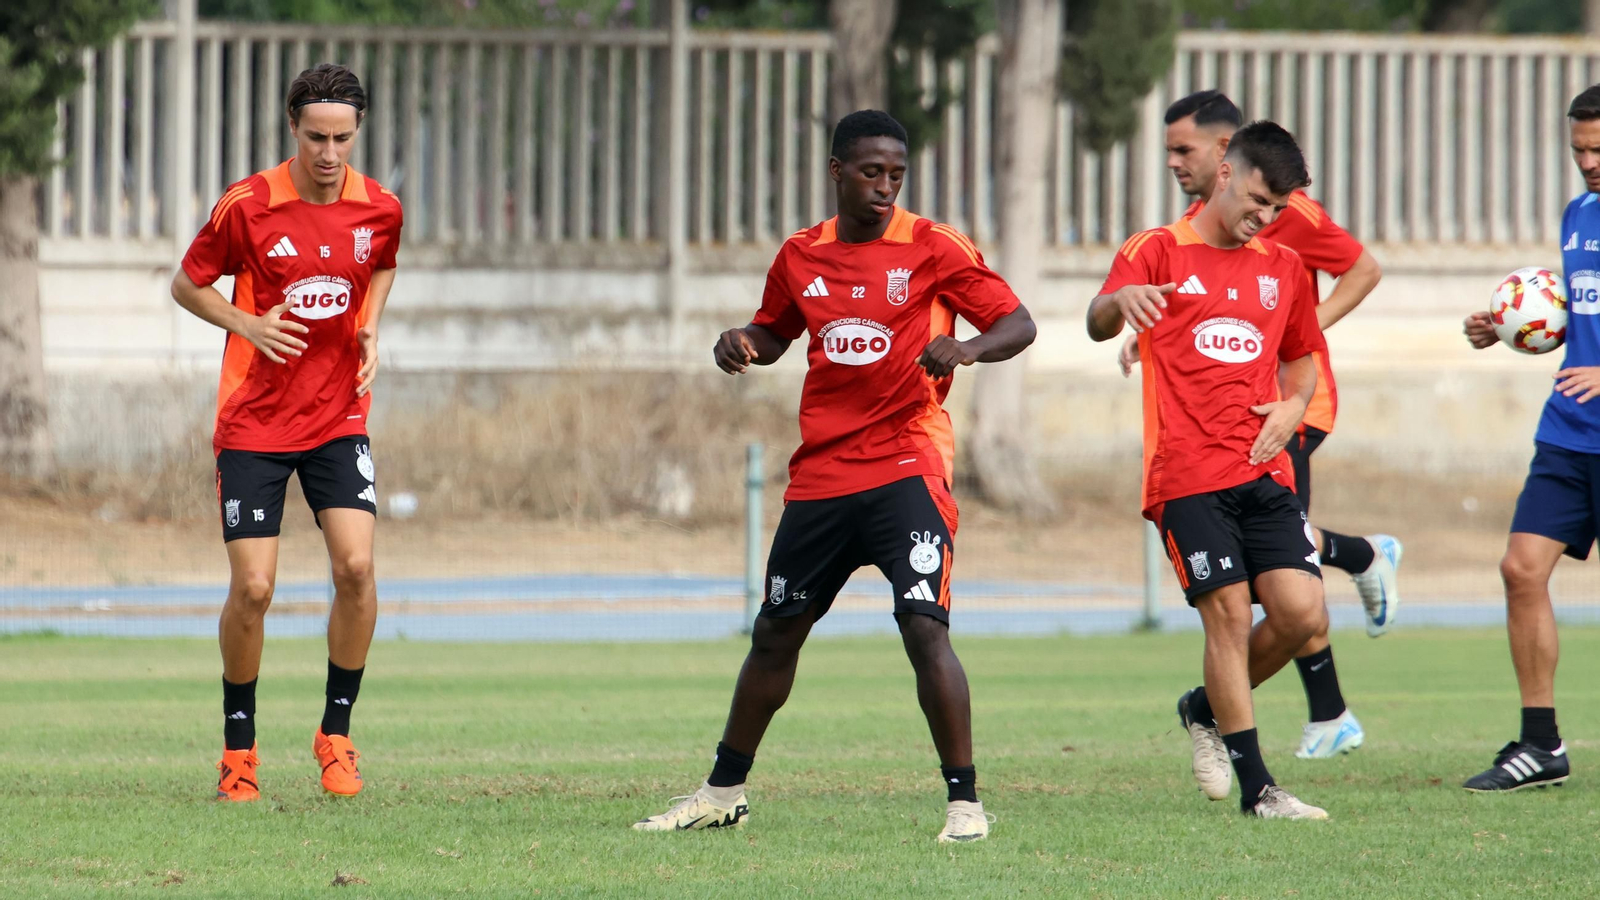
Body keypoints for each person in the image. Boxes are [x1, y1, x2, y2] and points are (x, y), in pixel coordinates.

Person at [632, 110, 1036, 842]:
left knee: (922, 626)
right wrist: (740, 342)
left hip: (908, 465)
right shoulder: (801, 255)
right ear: (837, 172)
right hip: (822, 476)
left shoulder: (934, 247)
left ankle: (965, 804)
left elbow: (1019, 323)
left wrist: (968, 350)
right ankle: (723, 791)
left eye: (897, 176)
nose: (885, 189)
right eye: (871, 173)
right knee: (776, 633)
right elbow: (776, 332)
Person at [1126, 89, 1398, 760]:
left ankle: (1362, 561)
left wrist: (1296, 339)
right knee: (1276, 581)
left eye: (1182, 149)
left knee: (1283, 572)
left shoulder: (1286, 211)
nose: (1172, 162)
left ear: (1225, 154)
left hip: (1288, 410)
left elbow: (1363, 269)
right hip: (1232, 411)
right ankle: (1328, 706)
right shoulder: (1194, 226)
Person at [170, 63, 403, 802]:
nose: (328, 154)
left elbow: (383, 267)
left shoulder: (381, 209)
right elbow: (186, 282)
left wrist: (370, 327)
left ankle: (336, 736)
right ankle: (239, 752)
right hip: (254, 423)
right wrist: (245, 322)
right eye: (315, 138)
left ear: (357, 131)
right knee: (255, 587)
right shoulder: (249, 204)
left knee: (357, 571)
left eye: (341, 138)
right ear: (292, 129)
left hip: (338, 418)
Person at [1088, 121, 1331, 819]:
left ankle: (1203, 708)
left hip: (1263, 470)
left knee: (1301, 613)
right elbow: (1096, 319)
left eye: (1278, 209)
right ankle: (1260, 791)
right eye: (1258, 199)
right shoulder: (1157, 249)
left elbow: (1303, 356)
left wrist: (1294, 406)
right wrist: (1117, 306)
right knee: (1226, 617)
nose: (1265, 216)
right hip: (1187, 475)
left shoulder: (1282, 267)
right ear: (1225, 173)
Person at [1457, 84, 1600, 792]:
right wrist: (1511, 330)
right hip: (1570, 432)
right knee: (1521, 570)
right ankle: (1541, 744)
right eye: (1579, 149)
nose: (1590, 162)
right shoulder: (1579, 215)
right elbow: (1584, 319)